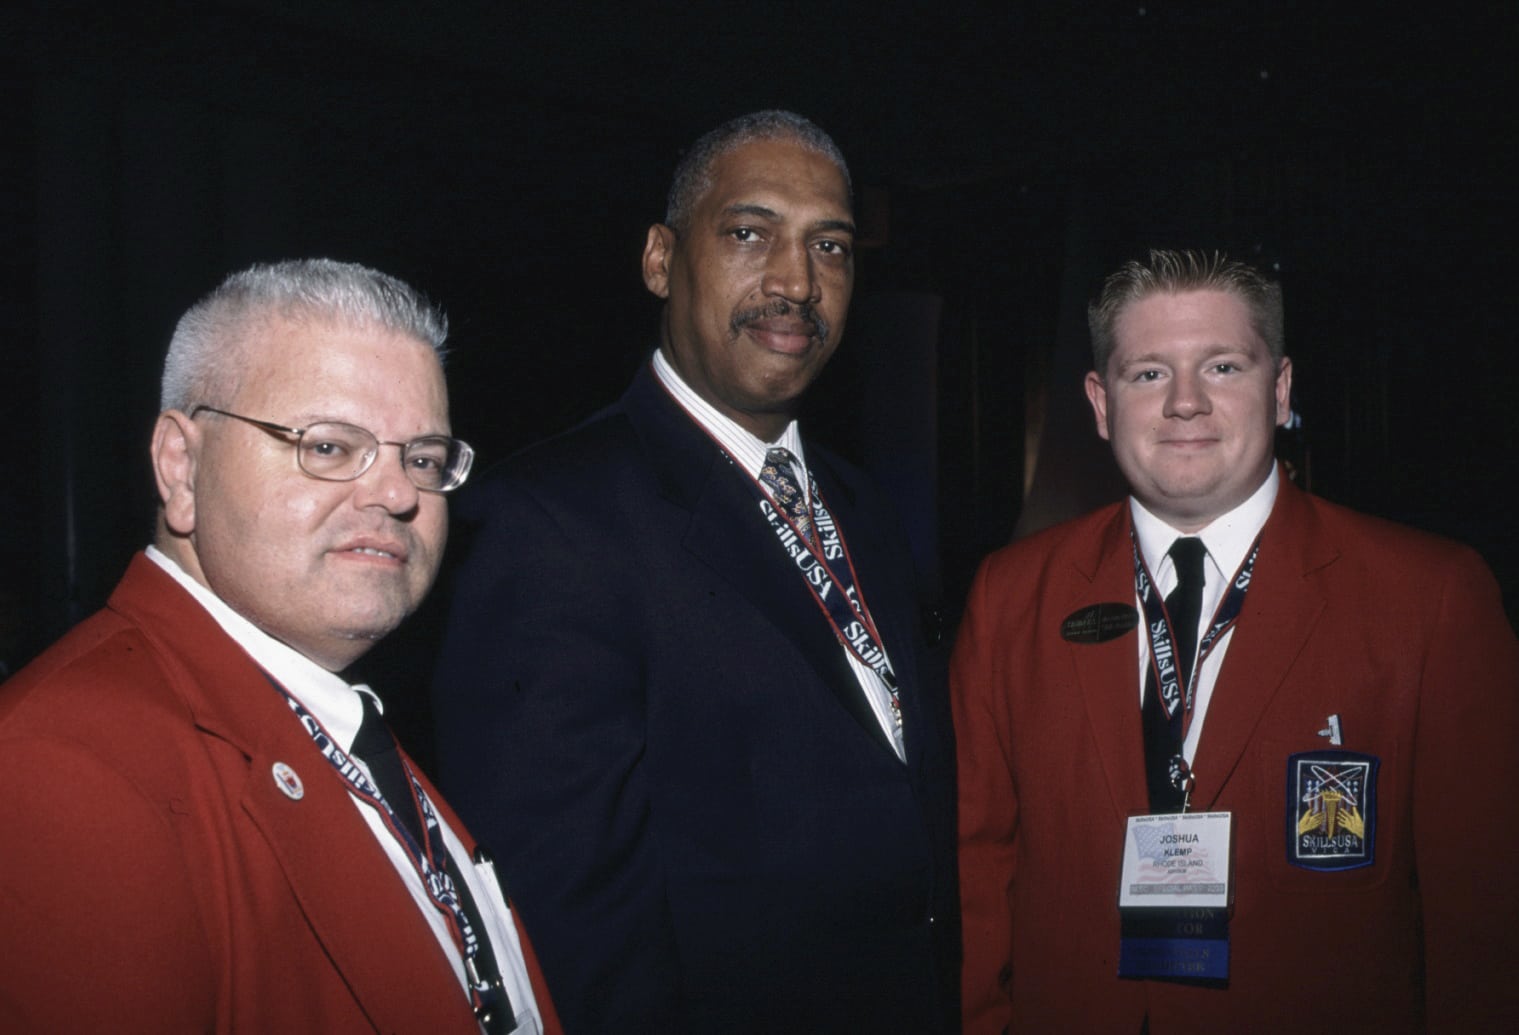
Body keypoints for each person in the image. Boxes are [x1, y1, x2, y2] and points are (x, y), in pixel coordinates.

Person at [432, 111, 959, 1033]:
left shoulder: (863, 503)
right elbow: (571, 919)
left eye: (828, 246)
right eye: (750, 233)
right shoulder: (549, 518)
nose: (795, 281)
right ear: (659, 260)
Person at [953, 248, 1519, 1033]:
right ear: (1099, 402)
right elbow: (976, 878)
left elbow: (1483, 928)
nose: (1185, 402)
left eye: (1221, 366)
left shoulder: (1430, 598)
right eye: (1148, 373)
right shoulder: (1008, 597)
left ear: (1280, 389)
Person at [0, 259, 561, 1034]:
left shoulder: (331, 713)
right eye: (329, 447)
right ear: (182, 467)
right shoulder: (65, 763)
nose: (399, 494)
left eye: (423, 458)